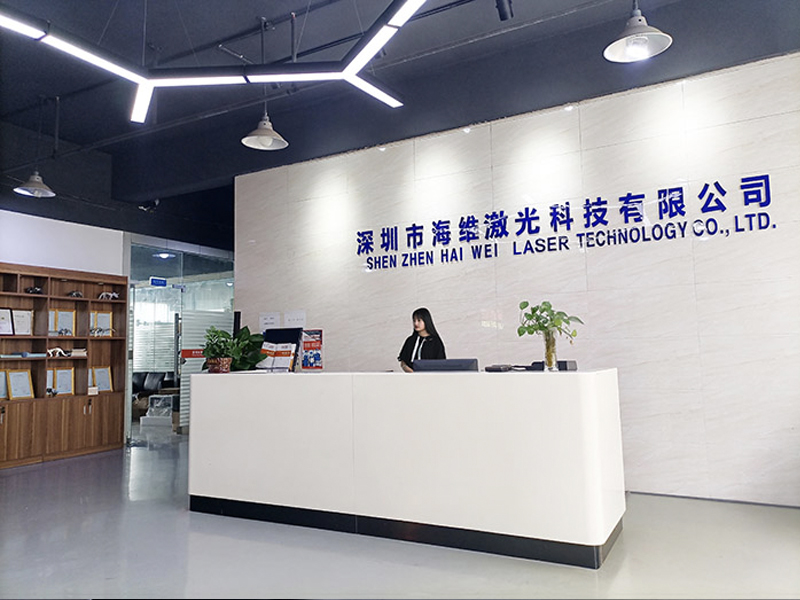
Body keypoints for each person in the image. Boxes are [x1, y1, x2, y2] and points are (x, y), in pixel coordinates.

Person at [397, 307, 446, 372]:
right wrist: (407, 368)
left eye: (419, 320)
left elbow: (441, 363)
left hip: (430, 376)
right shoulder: (410, 340)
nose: (416, 323)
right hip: (411, 376)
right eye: (414, 320)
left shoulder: (435, 341)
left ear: (426, 321)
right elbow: (403, 361)